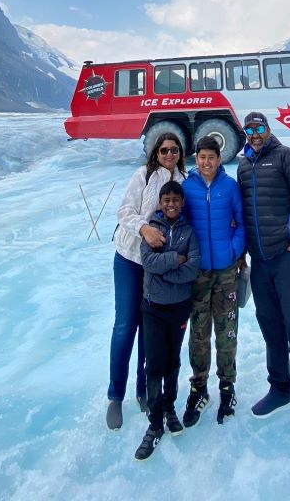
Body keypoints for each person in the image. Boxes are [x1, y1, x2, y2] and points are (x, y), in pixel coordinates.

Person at [236, 111, 290, 447]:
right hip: (259, 263)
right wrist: (242, 251)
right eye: (249, 129)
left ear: (268, 129)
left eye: (259, 128)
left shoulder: (288, 157)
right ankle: (279, 389)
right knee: (271, 331)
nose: (255, 134)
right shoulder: (244, 166)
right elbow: (244, 213)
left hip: (287, 261)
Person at [106, 132, 187, 431]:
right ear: (156, 152)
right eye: (164, 150)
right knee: (125, 325)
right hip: (129, 258)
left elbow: (187, 214)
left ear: (180, 153)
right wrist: (144, 229)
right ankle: (115, 395)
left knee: (148, 328)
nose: (169, 154)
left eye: (174, 150)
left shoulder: (183, 180)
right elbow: (124, 211)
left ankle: (144, 388)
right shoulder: (143, 175)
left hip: (156, 266)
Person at [181, 135, 246, 427]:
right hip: (198, 273)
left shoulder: (230, 187)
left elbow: (241, 222)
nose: (206, 162)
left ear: (219, 159)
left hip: (226, 271)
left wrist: (233, 250)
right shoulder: (187, 187)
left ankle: (227, 386)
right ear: (197, 158)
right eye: (202, 157)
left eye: (212, 157)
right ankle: (199, 387)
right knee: (199, 331)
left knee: (226, 328)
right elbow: (180, 223)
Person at [135, 181, 201, 461]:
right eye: (167, 200)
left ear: (182, 203)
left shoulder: (189, 231)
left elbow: (193, 269)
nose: (171, 204)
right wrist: (176, 258)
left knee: (173, 361)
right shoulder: (152, 229)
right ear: (160, 203)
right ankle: (154, 422)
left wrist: (167, 270)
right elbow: (149, 263)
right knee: (154, 364)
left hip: (178, 308)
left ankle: (170, 408)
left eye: (176, 200)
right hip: (153, 307)